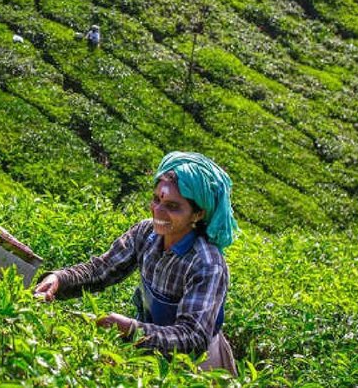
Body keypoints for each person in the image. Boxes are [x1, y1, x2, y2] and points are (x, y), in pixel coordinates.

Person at [34, 151, 239, 375]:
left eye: (172, 206)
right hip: (148, 347)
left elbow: (192, 336)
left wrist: (132, 329)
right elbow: (101, 270)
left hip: (195, 367)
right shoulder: (146, 233)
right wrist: (58, 279)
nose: (158, 211)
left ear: (198, 214)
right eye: (156, 199)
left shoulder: (207, 264)